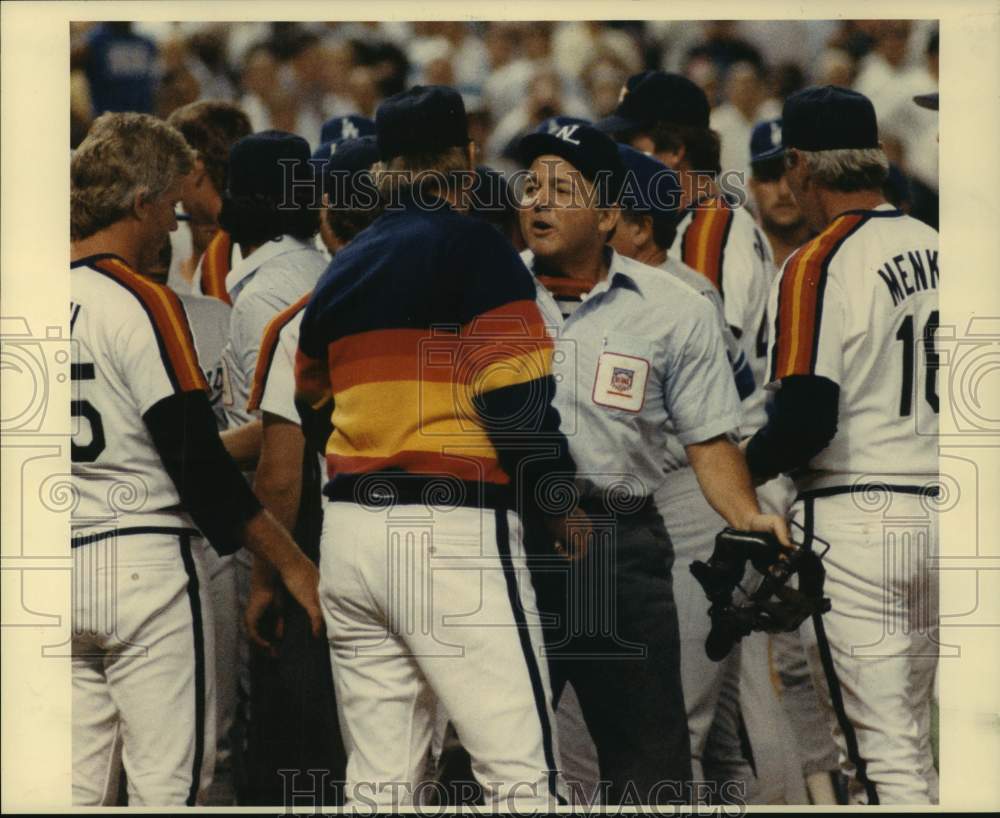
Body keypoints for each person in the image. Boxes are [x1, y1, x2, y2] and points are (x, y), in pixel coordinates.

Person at [291, 85, 578, 810]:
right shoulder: (475, 246)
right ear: (468, 160)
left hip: (352, 535)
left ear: (385, 169)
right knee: (520, 774)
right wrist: (559, 505)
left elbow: (312, 408)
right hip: (451, 528)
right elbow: (517, 404)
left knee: (381, 783)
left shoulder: (342, 268)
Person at [516, 121, 792, 805]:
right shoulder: (487, 293)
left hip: (620, 542)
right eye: (531, 185)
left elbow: (710, 442)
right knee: (512, 752)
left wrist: (747, 515)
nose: (538, 201)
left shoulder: (676, 308)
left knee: (651, 763)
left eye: (561, 187)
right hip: (517, 542)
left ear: (610, 213)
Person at [69, 111, 322, 807]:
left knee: (74, 789)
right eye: (171, 209)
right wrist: (293, 564)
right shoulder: (144, 302)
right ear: (141, 201)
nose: (175, 228)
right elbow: (199, 468)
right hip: (146, 567)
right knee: (173, 789)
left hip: (54, 566)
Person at [743, 86, 940, 804]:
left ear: (801, 164)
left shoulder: (817, 260)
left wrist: (732, 473)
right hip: (950, 510)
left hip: (857, 519)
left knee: (879, 759)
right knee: (914, 746)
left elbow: (805, 421)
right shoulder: (942, 245)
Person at [608, 144, 805, 804]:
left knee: (686, 719)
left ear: (639, 225)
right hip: (723, 487)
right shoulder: (686, 286)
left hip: (705, 495)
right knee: (725, 725)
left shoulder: (677, 292)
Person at [237, 135, 382, 805]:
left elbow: (281, 475)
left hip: (340, 550)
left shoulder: (302, 318)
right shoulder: (462, 300)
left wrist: (269, 579)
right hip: (456, 546)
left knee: (326, 753)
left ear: (326, 212)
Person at [214, 129, 328, 800]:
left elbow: (280, 431)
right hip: (320, 504)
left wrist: (189, 455)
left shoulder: (265, 290)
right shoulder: (310, 268)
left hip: (288, 514)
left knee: (283, 712)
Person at [745, 117, 843, 805]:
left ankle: (842, 781)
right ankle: (817, 785)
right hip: (755, 465)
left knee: (831, 656)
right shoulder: (738, 260)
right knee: (780, 656)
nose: (781, 188)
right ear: (749, 184)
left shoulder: (837, 257)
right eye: (766, 173)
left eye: (789, 171)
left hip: (828, 465)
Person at [596, 70, 773, 438]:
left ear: (675, 151)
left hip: (729, 450)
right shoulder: (698, 221)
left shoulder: (709, 233)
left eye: (631, 141)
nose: (619, 154)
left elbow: (708, 367)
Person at [166, 100, 253, 295]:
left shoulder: (253, 246)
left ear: (195, 167)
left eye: (171, 165)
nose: (166, 178)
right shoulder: (168, 237)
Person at [747, 119, 812, 268]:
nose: (784, 191)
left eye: (794, 177)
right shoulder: (736, 251)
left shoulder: (836, 252)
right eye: (770, 176)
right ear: (752, 185)